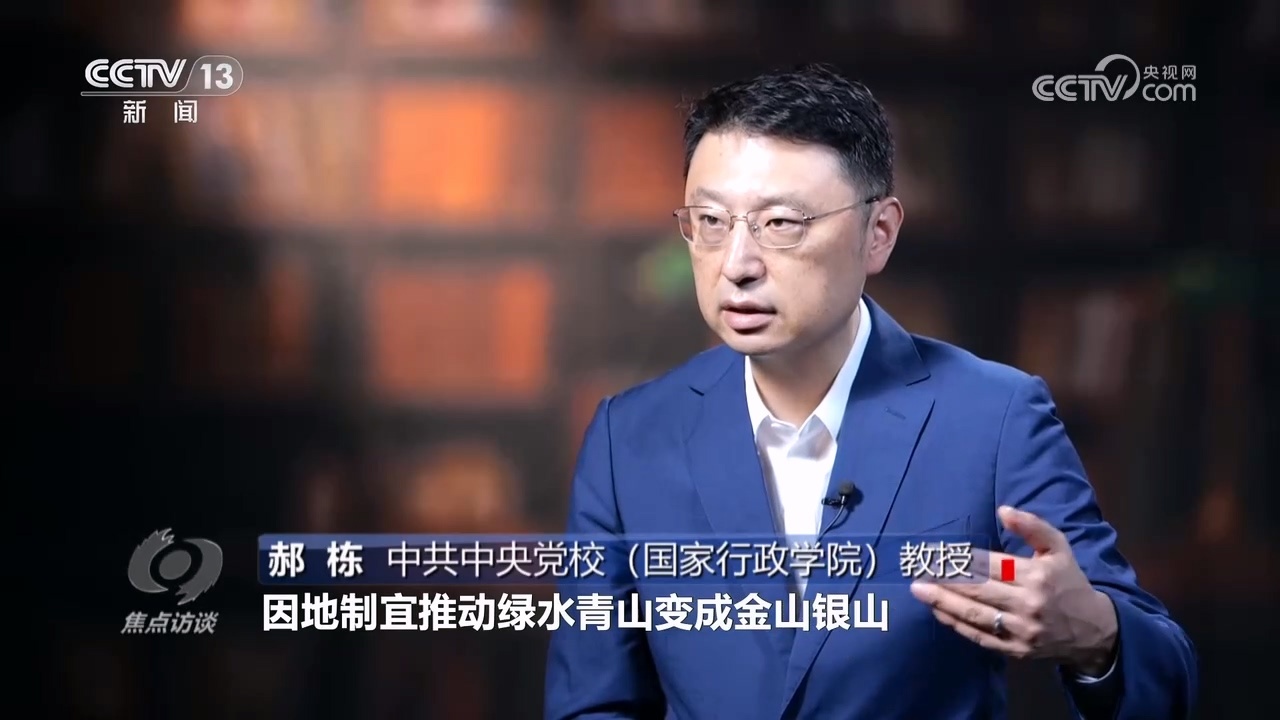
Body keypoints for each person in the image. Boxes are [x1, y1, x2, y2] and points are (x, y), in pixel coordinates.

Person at [544, 63, 1196, 720]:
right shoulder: (628, 437)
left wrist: (1097, 636)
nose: (736, 264)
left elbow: (1167, 681)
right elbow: (592, 704)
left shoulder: (994, 417)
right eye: (711, 221)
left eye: (781, 223)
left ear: (877, 233)